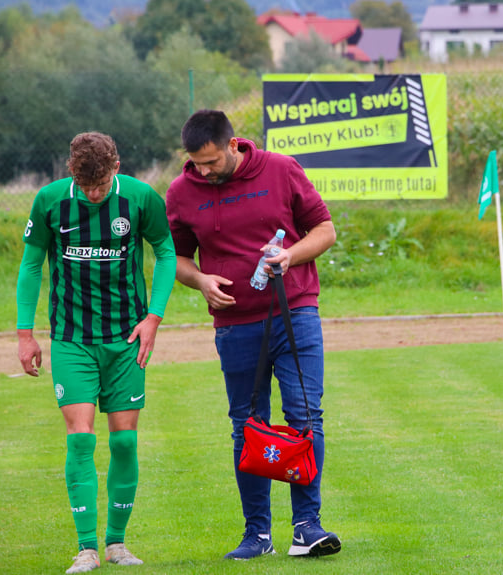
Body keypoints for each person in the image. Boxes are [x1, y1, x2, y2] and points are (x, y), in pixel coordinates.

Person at [165, 110, 340, 559]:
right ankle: (257, 535)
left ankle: (306, 527)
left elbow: (325, 230)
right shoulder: (183, 193)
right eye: (195, 162)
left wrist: (291, 255)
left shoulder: (281, 170)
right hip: (234, 325)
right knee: (247, 425)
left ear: (232, 145)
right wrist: (201, 280)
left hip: (294, 311)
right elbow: (177, 259)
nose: (203, 171)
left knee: (306, 415)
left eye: (210, 161)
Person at [16, 132, 177, 573]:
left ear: (115, 170)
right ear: (72, 173)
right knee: (82, 438)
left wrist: (154, 317)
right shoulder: (50, 201)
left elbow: (165, 252)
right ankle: (86, 547)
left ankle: (116, 545)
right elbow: (31, 266)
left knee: (124, 440)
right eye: (86, 186)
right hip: (72, 337)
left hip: (126, 338)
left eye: (101, 186)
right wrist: (25, 333)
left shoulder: (142, 198)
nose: (93, 193)